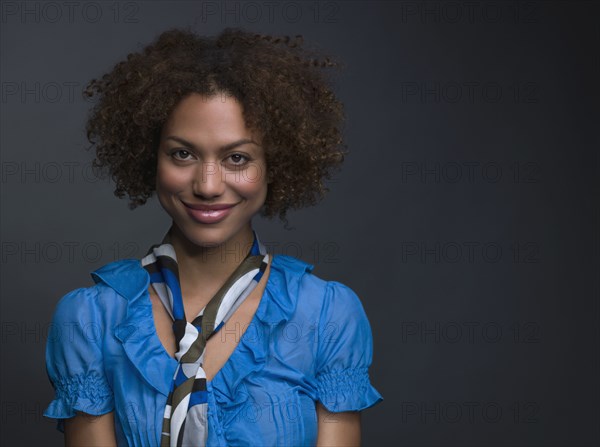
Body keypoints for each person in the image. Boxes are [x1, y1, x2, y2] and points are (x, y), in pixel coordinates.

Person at [43, 27, 383, 447]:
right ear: (150, 157)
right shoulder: (90, 320)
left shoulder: (327, 315)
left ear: (275, 164)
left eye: (236, 157)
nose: (207, 185)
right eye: (182, 153)